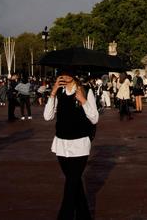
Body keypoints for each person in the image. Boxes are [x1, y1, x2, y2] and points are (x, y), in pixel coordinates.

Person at [44, 71, 98, 220]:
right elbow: (47, 116)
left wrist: (83, 101)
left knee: (71, 184)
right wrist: (53, 92)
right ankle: (84, 216)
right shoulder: (59, 92)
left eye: (68, 72)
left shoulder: (86, 90)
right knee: (75, 184)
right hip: (61, 145)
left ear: (74, 74)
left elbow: (94, 118)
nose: (65, 75)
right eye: (62, 72)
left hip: (80, 144)